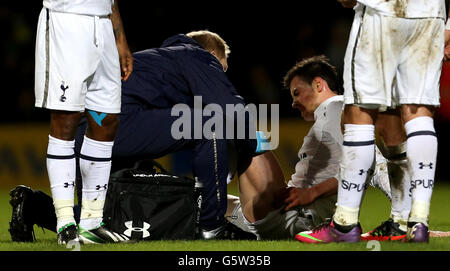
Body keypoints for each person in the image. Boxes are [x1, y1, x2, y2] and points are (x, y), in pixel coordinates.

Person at [10, 30, 258, 243]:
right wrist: (251, 149)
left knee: (106, 218)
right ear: (213, 55)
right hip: (117, 121)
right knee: (208, 124)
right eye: (221, 68)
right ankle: (212, 226)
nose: (220, 75)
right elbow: (230, 109)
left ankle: (33, 205)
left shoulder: (156, 61)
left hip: (85, 127)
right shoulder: (197, 55)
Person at [296, 0, 446, 243]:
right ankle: (413, 221)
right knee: (416, 113)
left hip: (382, 11)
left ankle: (344, 224)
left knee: (357, 114)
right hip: (430, 12)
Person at [226, 55, 394, 240]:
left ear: (318, 85)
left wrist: (312, 192)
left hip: (296, 216)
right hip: (293, 213)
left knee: (246, 133)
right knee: (210, 203)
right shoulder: (336, 113)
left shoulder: (334, 107)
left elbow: (371, 162)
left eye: (297, 93)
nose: (293, 103)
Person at [33, 0, 133, 245]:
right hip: (66, 22)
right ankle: (66, 222)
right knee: (66, 119)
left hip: (103, 27)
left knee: (105, 119)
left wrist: (120, 40)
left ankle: (91, 223)